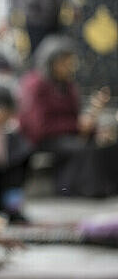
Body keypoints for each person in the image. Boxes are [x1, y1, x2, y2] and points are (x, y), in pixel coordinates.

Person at [18, 35, 114, 195]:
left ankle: (107, 188)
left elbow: (74, 116)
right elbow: (39, 126)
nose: (70, 67)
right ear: (53, 62)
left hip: (65, 134)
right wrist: (77, 126)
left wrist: (92, 129)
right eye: (65, 62)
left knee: (104, 145)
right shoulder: (36, 84)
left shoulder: (68, 85)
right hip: (42, 138)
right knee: (81, 148)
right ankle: (82, 189)